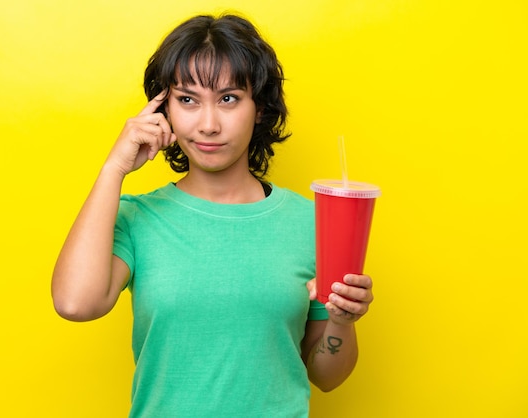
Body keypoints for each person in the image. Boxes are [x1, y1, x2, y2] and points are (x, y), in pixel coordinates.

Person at [51, 13, 374, 418]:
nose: (208, 124)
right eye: (187, 100)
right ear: (163, 109)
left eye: (228, 98)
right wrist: (113, 169)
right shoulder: (138, 218)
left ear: (259, 108)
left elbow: (326, 376)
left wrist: (342, 323)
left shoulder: (311, 222)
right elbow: (75, 304)